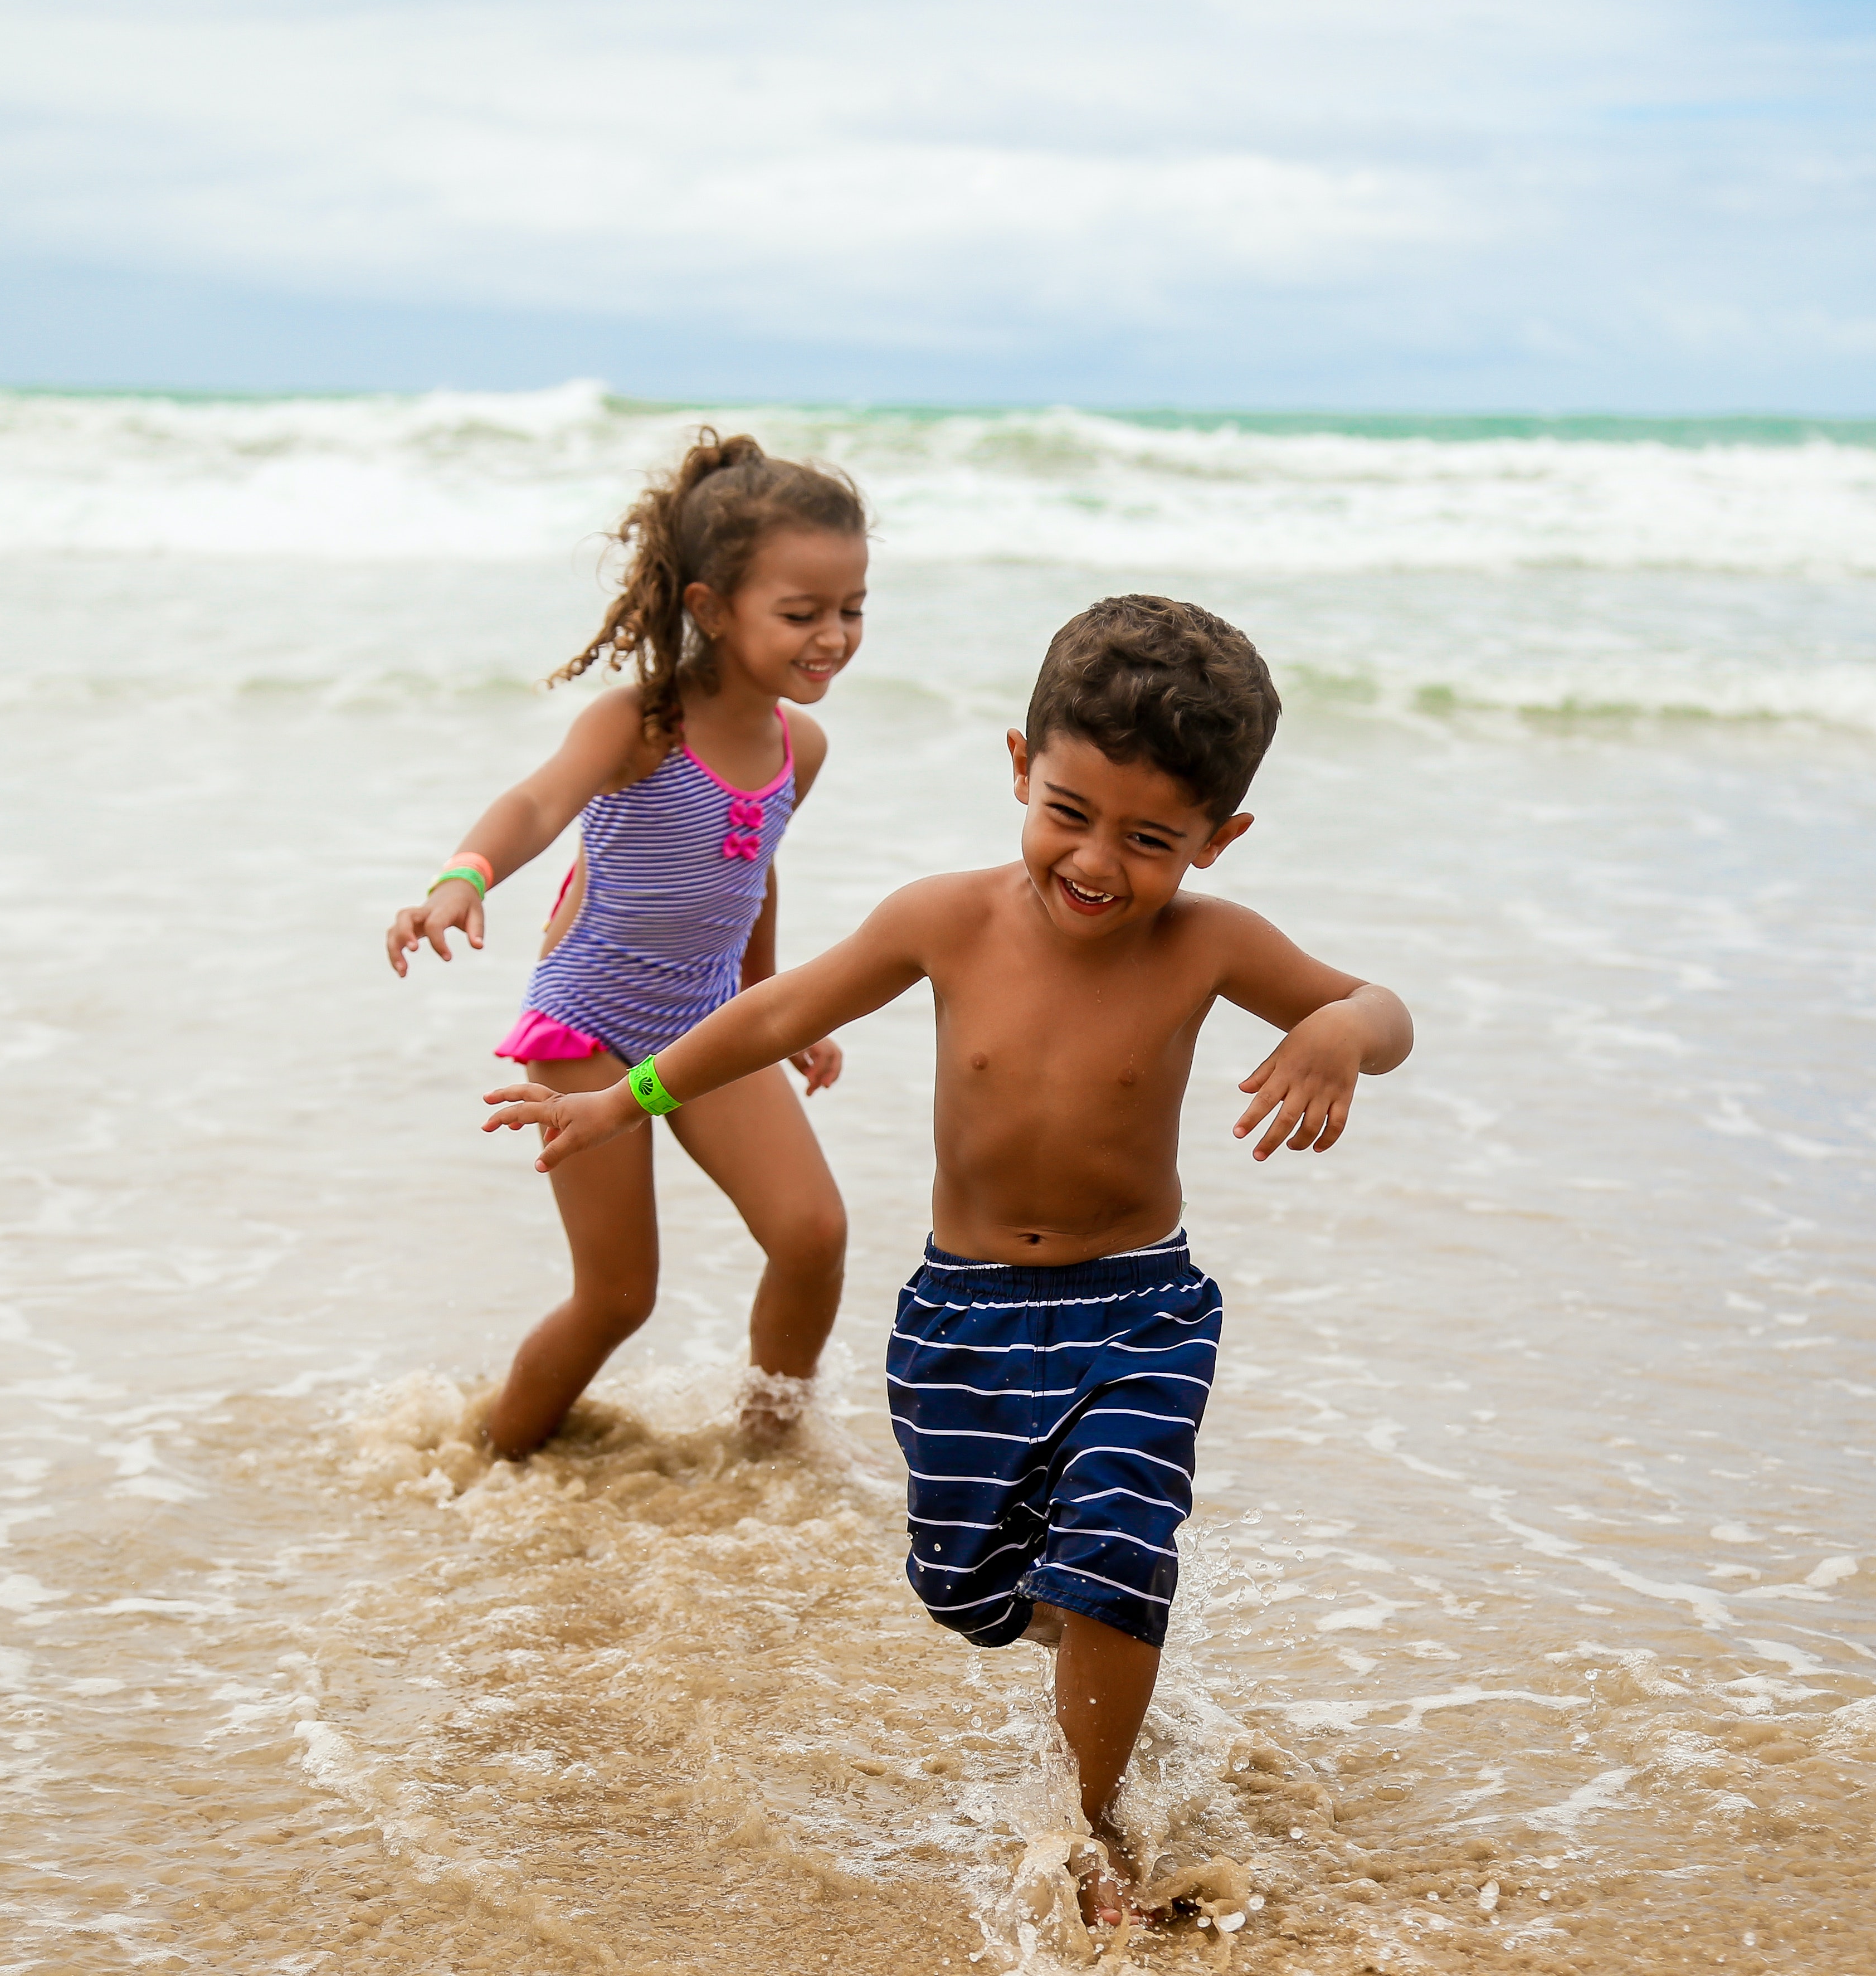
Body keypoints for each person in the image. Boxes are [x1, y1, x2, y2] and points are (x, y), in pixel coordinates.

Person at [481, 594, 1414, 1926]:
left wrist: (1341, 1031)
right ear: (1019, 767)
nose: (1097, 863)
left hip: (1138, 1303)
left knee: (1119, 1531)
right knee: (967, 1593)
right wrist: (616, 1100)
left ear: (1220, 838)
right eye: (1067, 813)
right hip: (961, 1316)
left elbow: (1385, 1014)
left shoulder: (1213, 943)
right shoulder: (945, 921)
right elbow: (773, 1010)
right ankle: (1097, 1639)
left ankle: (1091, 1839)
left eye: (1151, 842)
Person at [387, 430, 865, 1456]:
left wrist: (773, 1005)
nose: (832, 635)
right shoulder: (640, 724)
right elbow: (536, 800)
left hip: (707, 1018)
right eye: (801, 613)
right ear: (708, 606)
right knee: (616, 1295)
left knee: (812, 1233)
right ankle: (494, 1462)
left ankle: (766, 1453)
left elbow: (750, 870)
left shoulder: (801, 746)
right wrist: (461, 877)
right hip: (590, 1023)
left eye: (851, 608)